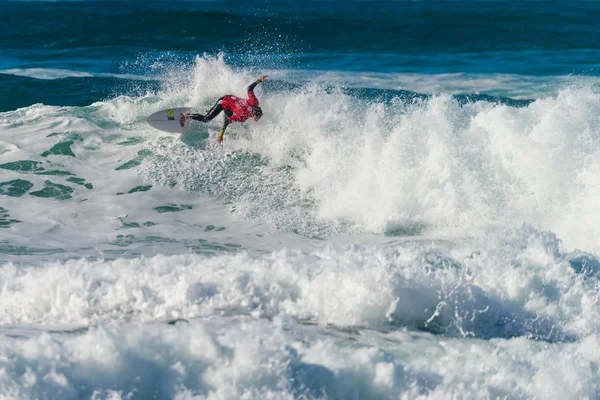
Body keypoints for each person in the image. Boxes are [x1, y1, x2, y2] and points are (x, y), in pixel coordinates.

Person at [180, 75, 268, 143]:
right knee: (206, 119)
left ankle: (207, 111)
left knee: (214, 114)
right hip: (223, 102)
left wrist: (259, 80)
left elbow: (249, 88)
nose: (257, 120)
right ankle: (186, 116)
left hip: (230, 99)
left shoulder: (254, 102)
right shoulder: (243, 117)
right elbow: (227, 120)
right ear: (253, 114)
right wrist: (221, 134)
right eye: (257, 118)